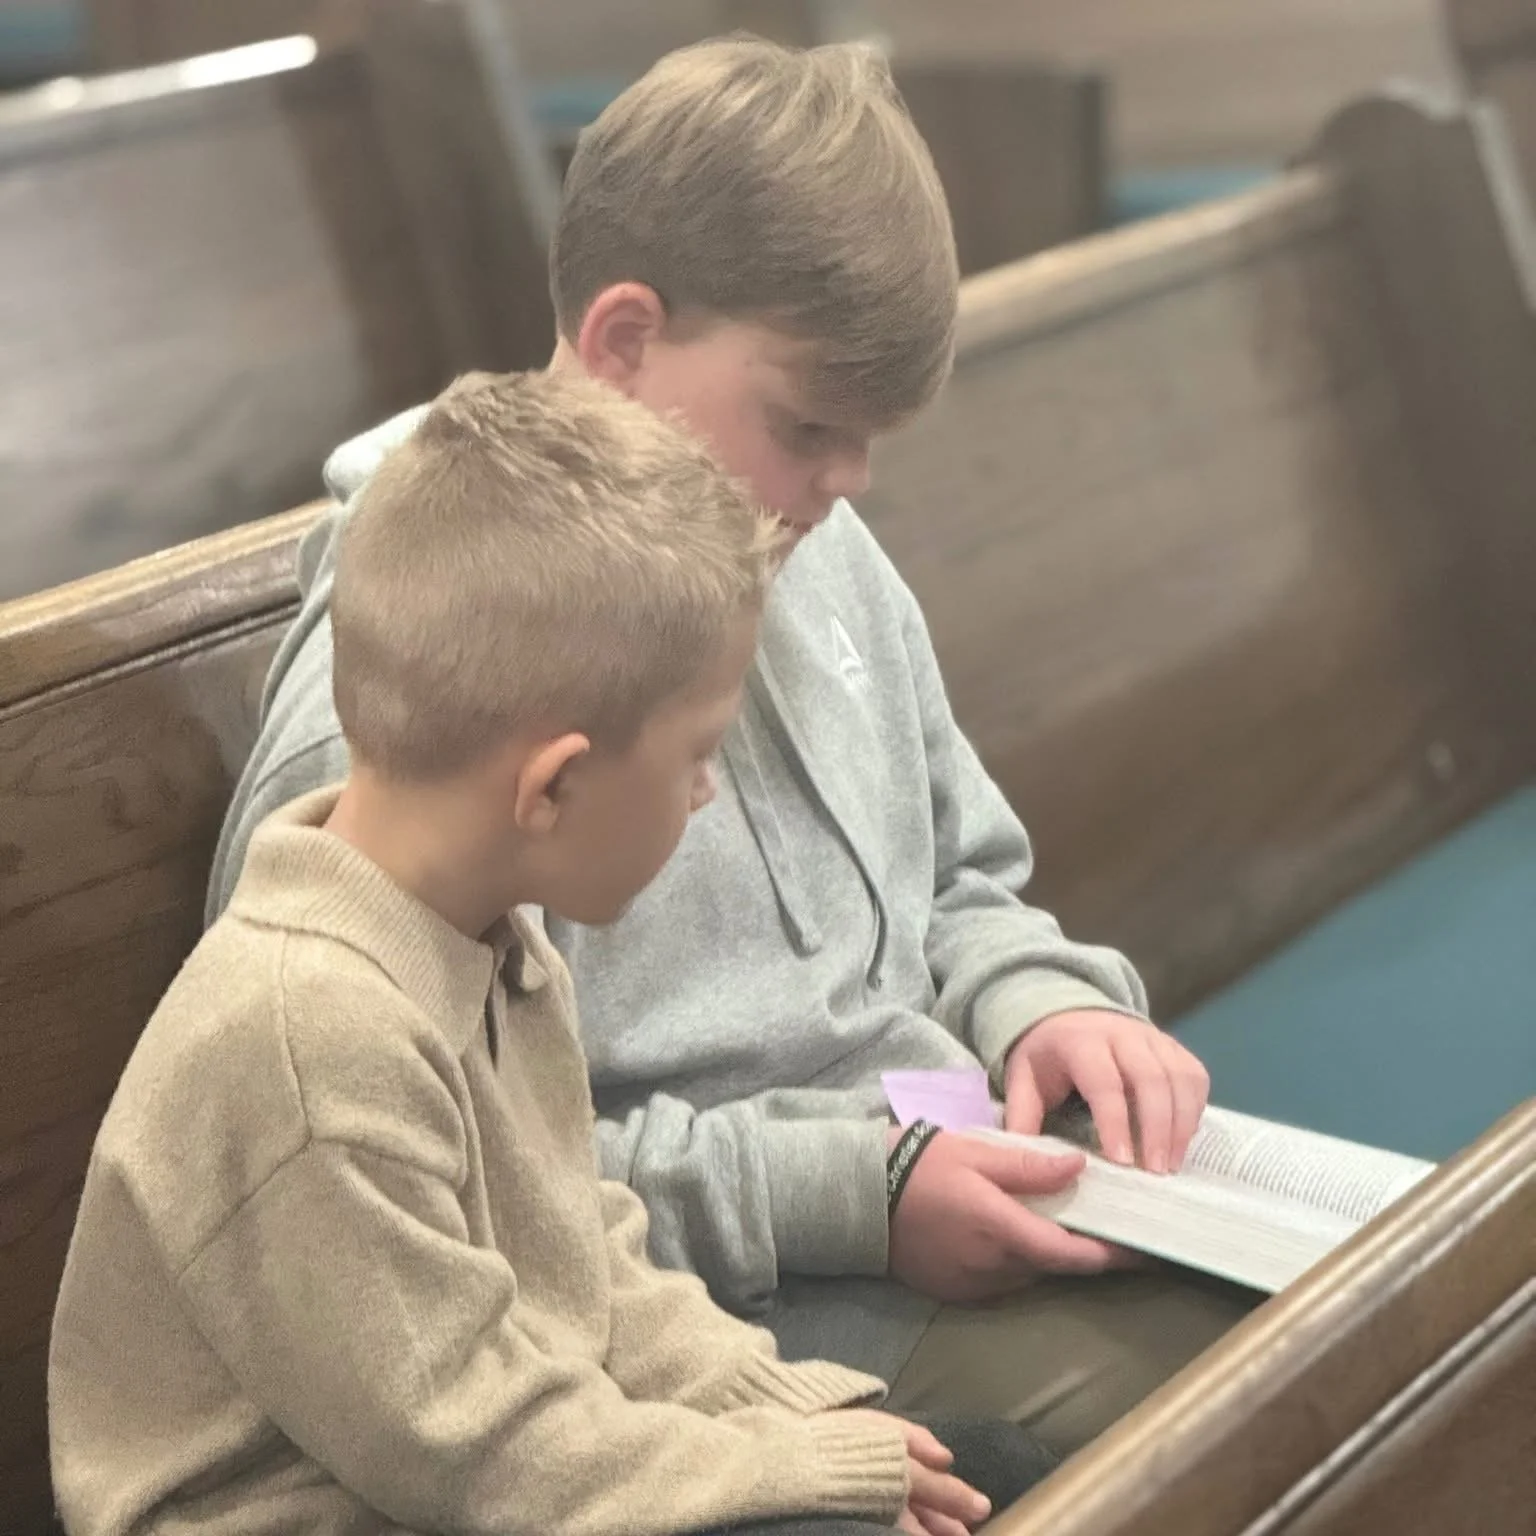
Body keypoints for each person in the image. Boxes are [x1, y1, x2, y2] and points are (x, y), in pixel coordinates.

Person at [205, 37, 1258, 1461]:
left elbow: (956, 873)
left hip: (941, 1167)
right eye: (809, 424)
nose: (848, 482)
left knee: (1360, 1304)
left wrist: (1039, 1003)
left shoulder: (806, 536)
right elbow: (434, 1179)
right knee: (1223, 1406)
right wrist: (851, 1198)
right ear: (625, 339)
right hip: (710, 1321)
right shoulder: (426, 669)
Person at [50, 370, 1063, 1536]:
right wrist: (797, 1472)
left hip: (480, 1469)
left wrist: (793, 1414)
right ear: (555, 787)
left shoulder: (489, 942)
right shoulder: (309, 1043)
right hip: (347, 1508)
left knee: (988, 1475)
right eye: (697, 756)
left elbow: (592, 1268)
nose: (706, 792)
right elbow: (478, 1451)